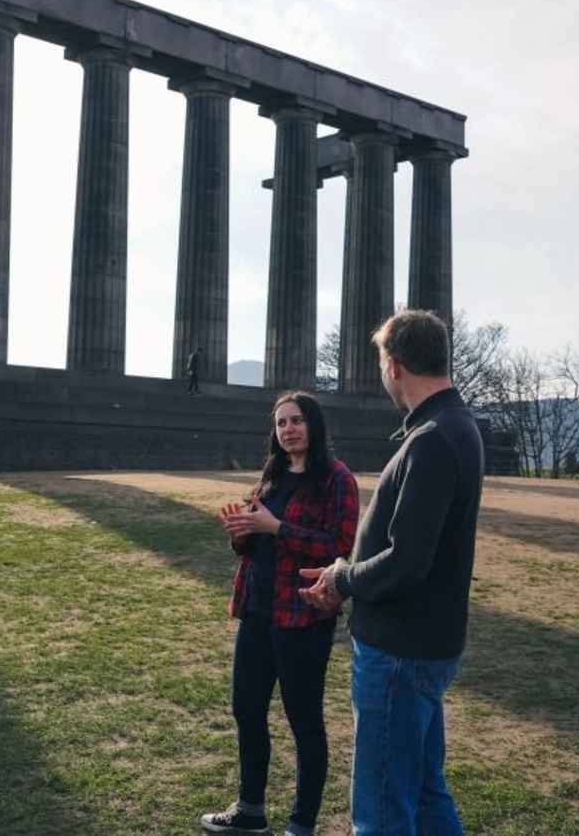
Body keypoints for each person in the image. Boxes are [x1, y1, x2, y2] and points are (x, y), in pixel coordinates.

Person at [299, 310, 484, 835]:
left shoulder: (433, 438)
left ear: (395, 365)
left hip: (400, 650)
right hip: (423, 644)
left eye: (382, 361)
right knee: (423, 794)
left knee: (381, 811)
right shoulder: (454, 426)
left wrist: (342, 578)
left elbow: (407, 561)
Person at [200, 391, 360, 836]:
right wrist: (242, 533)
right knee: (246, 710)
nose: (288, 429)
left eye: (297, 420)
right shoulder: (272, 475)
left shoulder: (337, 479)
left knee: (303, 721)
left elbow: (339, 548)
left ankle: (301, 825)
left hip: (303, 618)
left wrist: (276, 527)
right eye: (281, 423)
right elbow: (255, 545)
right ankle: (250, 810)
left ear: (314, 425)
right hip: (256, 611)